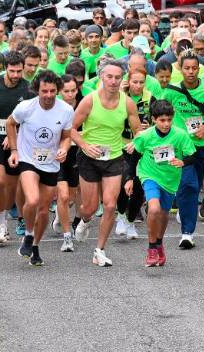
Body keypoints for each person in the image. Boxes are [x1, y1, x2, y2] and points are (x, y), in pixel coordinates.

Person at [70, 58, 142, 267]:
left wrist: (136, 142)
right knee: (90, 207)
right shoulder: (89, 100)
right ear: (101, 77)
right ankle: (84, 221)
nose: (113, 81)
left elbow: (137, 129)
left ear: (122, 79)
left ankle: (99, 250)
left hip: (113, 157)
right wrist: (84, 145)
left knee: (110, 205)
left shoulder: (127, 102)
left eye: (117, 77)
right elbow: (71, 129)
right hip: (90, 158)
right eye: (109, 77)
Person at [160, 50, 204, 249]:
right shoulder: (172, 90)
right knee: (187, 185)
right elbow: (161, 110)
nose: (190, 72)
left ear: (199, 69)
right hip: (182, 146)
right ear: (180, 69)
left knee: (196, 183)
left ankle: (186, 207)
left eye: (194, 68)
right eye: (186, 68)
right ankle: (187, 233)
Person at [6, 70, 73, 266]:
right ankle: (28, 233)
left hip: (51, 163)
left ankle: (34, 246)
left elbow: (67, 136)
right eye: (44, 91)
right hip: (28, 159)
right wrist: (14, 150)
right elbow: (11, 124)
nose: (49, 95)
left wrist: (63, 149)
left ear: (58, 90)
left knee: (44, 210)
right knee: (33, 199)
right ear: (37, 90)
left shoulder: (66, 110)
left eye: (53, 91)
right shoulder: (25, 107)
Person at [128, 100, 196, 267]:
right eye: (162, 120)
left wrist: (183, 162)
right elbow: (134, 157)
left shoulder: (180, 135)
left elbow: (192, 155)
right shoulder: (145, 136)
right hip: (149, 175)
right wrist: (129, 178)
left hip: (170, 180)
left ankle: (159, 243)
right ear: (154, 119)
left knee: (164, 214)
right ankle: (151, 247)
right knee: (154, 208)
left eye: (169, 120)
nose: (166, 124)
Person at [0, 51, 35, 245]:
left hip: (16, 141)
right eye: (12, 71)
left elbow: (30, 118)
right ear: (4, 68)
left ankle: (4, 217)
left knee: (12, 186)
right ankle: (1, 224)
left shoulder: (28, 89)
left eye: (19, 71)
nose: (16, 75)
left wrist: (15, 133)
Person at [115, 66, 153, 239]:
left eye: (141, 82)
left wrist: (149, 127)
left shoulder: (150, 98)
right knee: (125, 184)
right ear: (128, 81)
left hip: (141, 148)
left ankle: (131, 221)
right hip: (122, 146)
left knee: (138, 188)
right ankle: (121, 216)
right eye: (134, 82)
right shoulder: (119, 98)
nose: (138, 85)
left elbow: (158, 121)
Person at [55, 75, 82, 252]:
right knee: (63, 196)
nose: (70, 94)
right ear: (60, 92)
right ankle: (67, 236)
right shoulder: (55, 108)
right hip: (58, 155)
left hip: (76, 154)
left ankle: (59, 214)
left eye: (73, 90)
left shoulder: (84, 106)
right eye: (66, 91)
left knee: (72, 197)